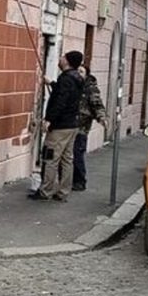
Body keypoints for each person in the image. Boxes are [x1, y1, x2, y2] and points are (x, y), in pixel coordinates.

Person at [29, 51, 85, 202]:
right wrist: (52, 84)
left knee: (50, 157)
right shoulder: (77, 78)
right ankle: (63, 192)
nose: (60, 59)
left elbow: (61, 101)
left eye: (63, 57)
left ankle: (45, 191)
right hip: (72, 125)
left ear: (67, 61)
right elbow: (67, 94)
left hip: (60, 126)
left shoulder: (66, 79)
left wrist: (49, 120)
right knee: (67, 160)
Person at [72, 65, 107, 191]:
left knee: (77, 153)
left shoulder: (90, 89)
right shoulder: (73, 85)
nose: (78, 73)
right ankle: (68, 180)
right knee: (68, 155)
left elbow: (97, 104)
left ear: (86, 75)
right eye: (77, 71)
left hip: (81, 126)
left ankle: (80, 181)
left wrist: (102, 117)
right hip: (69, 125)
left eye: (81, 71)